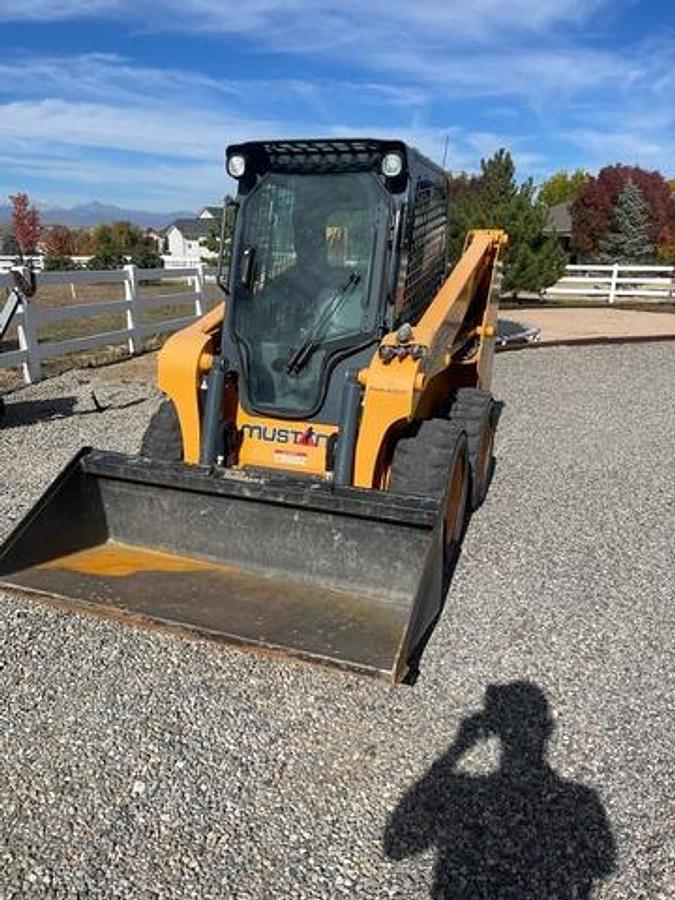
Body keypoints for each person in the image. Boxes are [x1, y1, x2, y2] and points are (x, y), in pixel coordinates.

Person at [384, 682, 616, 899]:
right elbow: (602, 864)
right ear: (547, 729)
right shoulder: (580, 800)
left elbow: (396, 846)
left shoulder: (463, 794)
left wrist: (458, 747)